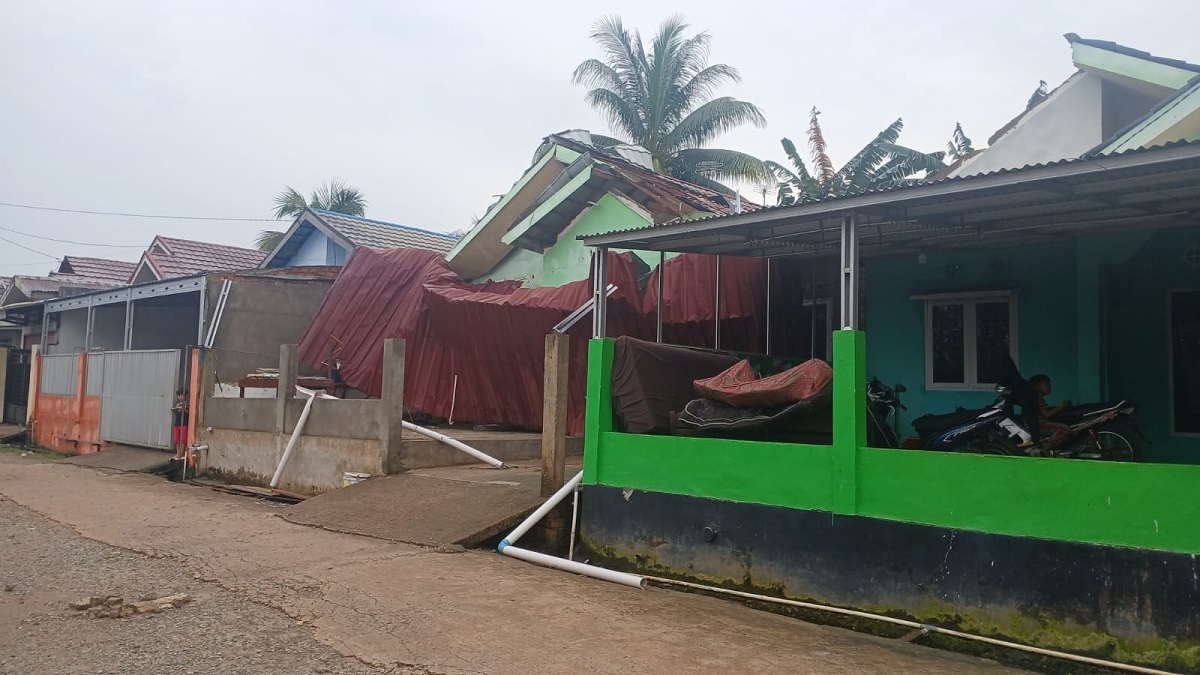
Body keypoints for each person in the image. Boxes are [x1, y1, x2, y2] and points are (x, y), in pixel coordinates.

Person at [1029, 374, 1070, 451]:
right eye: (1046, 384)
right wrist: (1062, 406)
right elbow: (1046, 414)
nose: (1049, 387)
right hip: (1039, 424)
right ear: (1036, 386)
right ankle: (1044, 448)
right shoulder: (1037, 399)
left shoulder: (1037, 398)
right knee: (1064, 429)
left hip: (1037, 424)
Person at [171, 389, 190, 461]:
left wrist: (184, 409)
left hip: (184, 423)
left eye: (182, 395)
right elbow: (177, 412)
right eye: (179, 396)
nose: (181, 397)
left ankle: (181, 453)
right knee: (177, 439)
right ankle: (178, 453)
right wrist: (174, 410)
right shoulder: (177, 404)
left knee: (183, 439)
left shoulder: (187, 404)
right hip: (177, 423)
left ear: (185, 396)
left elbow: (189, 413)